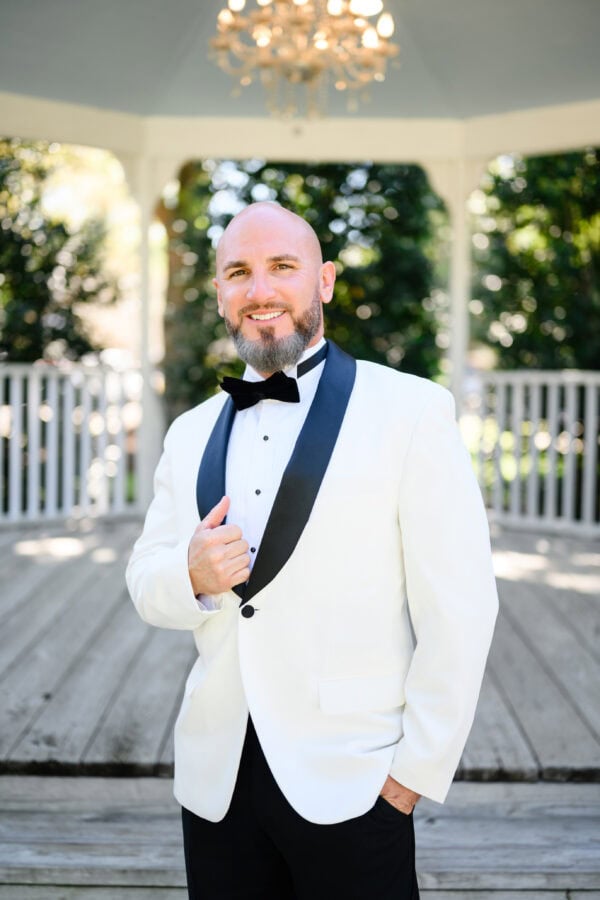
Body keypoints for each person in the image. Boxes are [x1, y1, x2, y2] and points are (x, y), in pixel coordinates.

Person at [126, 201, 498, 900]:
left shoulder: (413, 412)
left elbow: (463, 609)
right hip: (217, 787)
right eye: (238, 272)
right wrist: (191, 576)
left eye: (283, 268)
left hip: (356, 784)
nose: (259, 290)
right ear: (219, 294)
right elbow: (146, 580)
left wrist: (412, 776)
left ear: (323, 282)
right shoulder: (188, 432)